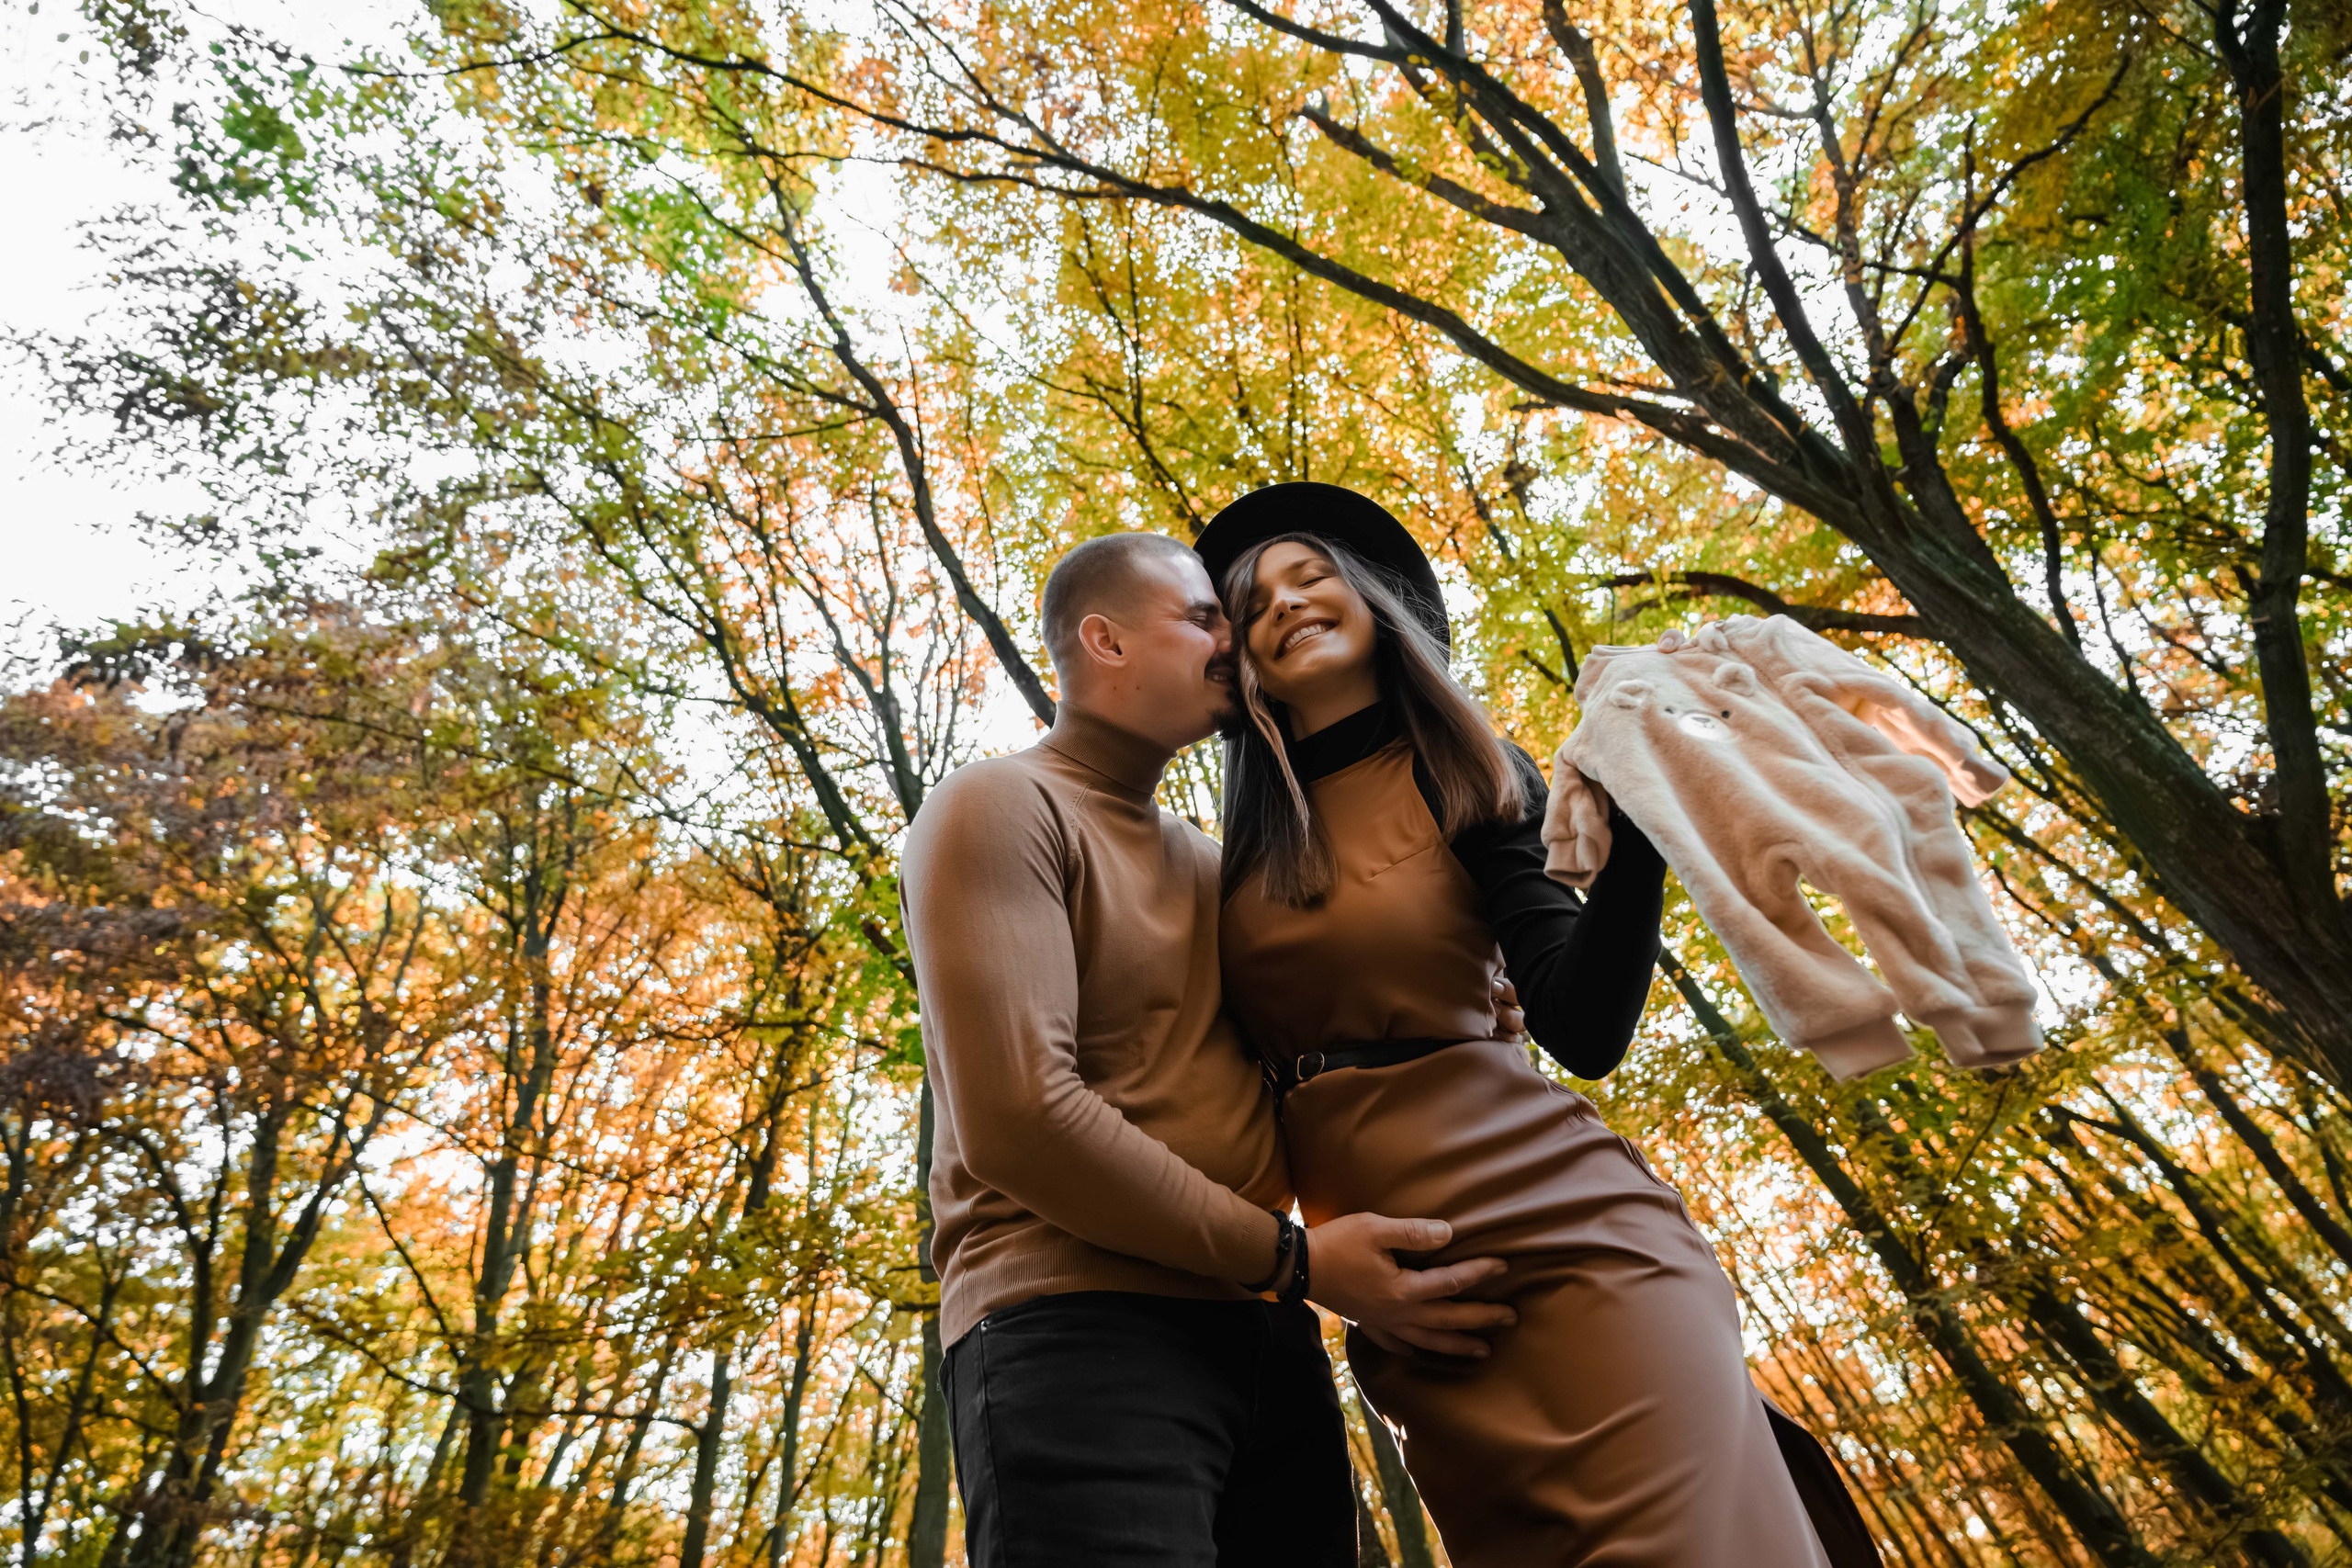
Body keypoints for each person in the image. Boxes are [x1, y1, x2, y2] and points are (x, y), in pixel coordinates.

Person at [1202, 483, 1882, 1568]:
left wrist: (1643, 820)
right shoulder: (1226, 860)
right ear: (1236, 662)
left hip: (1578, 1246)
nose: (1285, 602)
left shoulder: (1467, 774)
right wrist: (1300, 1263)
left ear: (1372, 601)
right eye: (1251, 602)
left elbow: (1584, 1026)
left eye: (1311, 575)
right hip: (1414, 1309)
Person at [899, 531, 1517, 1568]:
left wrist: (1465, 1000)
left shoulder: (1214, 863)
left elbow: (1305, 1052)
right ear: (1104, 641)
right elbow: (1020, 1121)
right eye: (1200, 618)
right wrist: (1297, 1258)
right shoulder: (999, 805)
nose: (1233, 642)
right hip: (1077, 1328)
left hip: (1267, 1333)